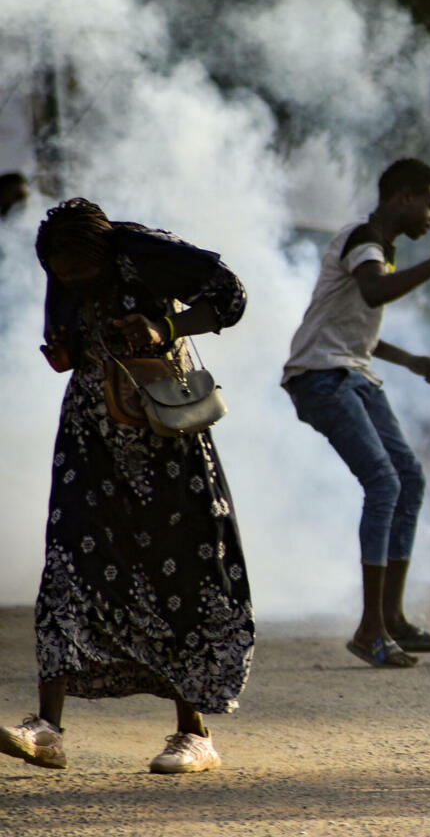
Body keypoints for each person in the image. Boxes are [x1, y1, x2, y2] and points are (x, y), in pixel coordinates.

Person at [0, 198, 252, 775]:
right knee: (66, 567)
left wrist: (164, 325)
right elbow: (67, 346)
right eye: (61, 275)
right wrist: (63, 352)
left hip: (164, 437)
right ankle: (47, 729)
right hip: (91, 439)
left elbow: (230, 299)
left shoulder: (147, 252)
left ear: (104, 252)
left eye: (79, 272)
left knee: (180, 571)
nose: (69, 282)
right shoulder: (59, 268)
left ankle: (194, 735)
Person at [282, 158, 430, 668]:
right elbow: (375, 292)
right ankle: (370, 628)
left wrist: (409, 360)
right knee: (385, 483)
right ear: (403, 199)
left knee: (407, 478)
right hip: (321, 378)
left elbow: (354, 322)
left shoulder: (378, 249)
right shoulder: (363, 241)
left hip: (351, 373)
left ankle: (391, 619)